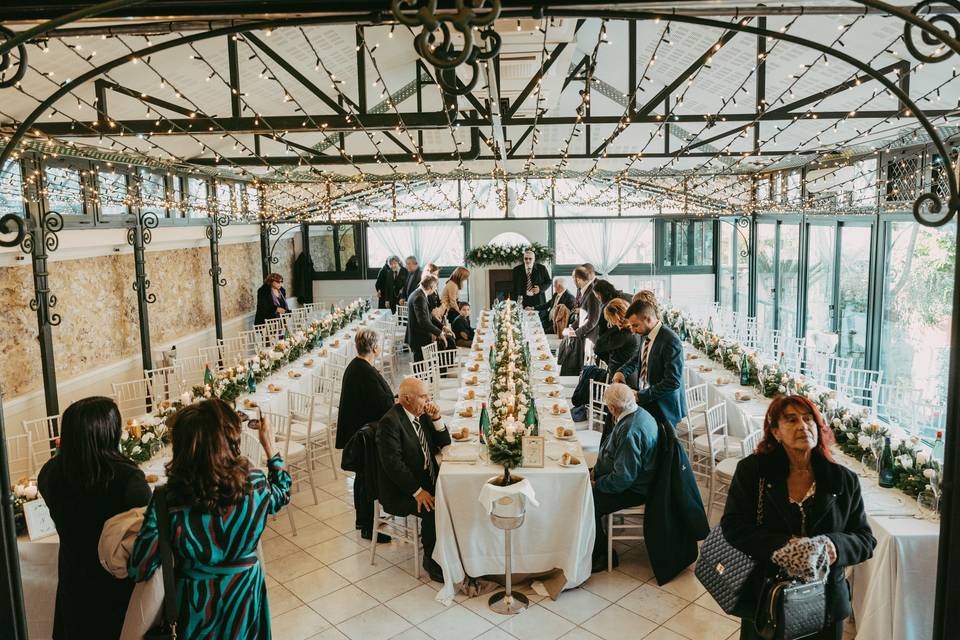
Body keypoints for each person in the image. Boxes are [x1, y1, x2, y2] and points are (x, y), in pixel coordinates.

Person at [129, 399, 291, 638]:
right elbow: (283, 493)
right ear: (231, 440)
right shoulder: (255, 484)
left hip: (197, 607)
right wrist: (270, 447)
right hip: (245, 598)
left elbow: (140, 567)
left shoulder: (168, 500)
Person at [722, 395, 876, 640]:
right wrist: (784, 546)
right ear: (775, 432)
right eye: (791, 420)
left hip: (825, 603)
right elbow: (733, 526)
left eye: (808, 419)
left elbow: (865, 539)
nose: (803, 426)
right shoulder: (754, 472)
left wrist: (834, 546)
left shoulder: (843, 480)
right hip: (767, 596)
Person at [37, 397, 152, 640]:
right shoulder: (128, 479)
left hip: (74, 584)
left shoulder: (50, 474)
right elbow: (148, 532)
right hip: (118, 588)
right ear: (108, 432)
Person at [376, 377, 452, 582]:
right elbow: (393, 466)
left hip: (426, 478)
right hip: (401, 490)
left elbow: (444, 443)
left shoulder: (422, 414)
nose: (428, 400)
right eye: (423, 396)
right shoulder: (390, 423)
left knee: (453, 496)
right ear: (407, 399)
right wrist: (418, 492)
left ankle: (450, 550)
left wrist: (437, 418)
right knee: (433, 508)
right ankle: (431, 561)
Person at [591, 384, 659, 572]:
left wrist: (597, 484)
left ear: (612, 408)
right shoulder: (638, 412)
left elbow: (623, 479)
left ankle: (602, 554)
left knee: (589, 502)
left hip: (636, 488)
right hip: (630, 477)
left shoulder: (631, 430)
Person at [336, 328, 396, 542]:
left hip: (359, 431)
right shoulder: (363, 371)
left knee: (363, 479)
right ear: (374, 347)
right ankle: (369, 527)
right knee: (367, 480)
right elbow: (380, 404)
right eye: (379, 342)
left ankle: (364, 521)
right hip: (362, 435)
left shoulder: (359, 366)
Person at [612, 297, 687, 429]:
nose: (633, 331)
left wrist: (640, 396)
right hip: (646, 399)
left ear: (648, 319)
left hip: (663, 406)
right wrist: (621, 372)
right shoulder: (644, 334)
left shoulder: (670, 340)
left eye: (635, 325)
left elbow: (673, 381)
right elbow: (637, 359)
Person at [594, 298, 640, 382]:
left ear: (616, 316)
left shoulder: (624, 334)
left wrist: (615, 327)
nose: (610, 323)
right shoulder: (631, 329)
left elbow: (598, 347)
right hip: (626, 374)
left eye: (610, 319)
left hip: (622, 378)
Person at [406, 273, 446, 361]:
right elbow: (423, 321)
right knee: (420, 369)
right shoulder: (419, 297)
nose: (436, 289)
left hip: (418, 336)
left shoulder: (418, 293)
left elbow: (429, 315)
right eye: (435, 287)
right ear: (431, 287)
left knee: (422, 367)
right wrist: (439, 333)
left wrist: (442, 327)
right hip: (419, 338)